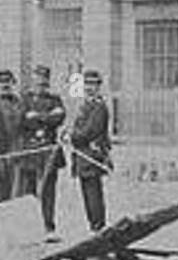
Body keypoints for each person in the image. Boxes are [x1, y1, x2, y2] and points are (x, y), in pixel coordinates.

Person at [19, 64, 67, 239]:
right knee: (29, 190)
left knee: (48, 191)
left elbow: (60, 117)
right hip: (30, 151)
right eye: (38, 81)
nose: (41, 84)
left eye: (44, 81)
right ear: (32, 81)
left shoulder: (55, 100)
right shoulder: (24, 100)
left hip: (49, 151)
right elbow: (22, 120)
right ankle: (29, 227)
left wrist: (37, 117)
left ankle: (48, 227)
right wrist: (47, 118)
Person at [70, 70, 112, 232]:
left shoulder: (99, 107)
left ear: (99, 86)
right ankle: (93, 227)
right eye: (87, 84)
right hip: (82, 157)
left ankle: (98, 226)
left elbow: (90, 131)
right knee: (87, 193)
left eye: (93, 84)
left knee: (93, 193)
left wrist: (72, 136)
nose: (89, 88)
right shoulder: (84, 105)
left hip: (92, 156)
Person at [0, 69, 23, 203]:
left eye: (8, 82)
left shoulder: (18, 102)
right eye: (1, 82)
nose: (5, 85)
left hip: (16, 150)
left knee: (16, 189)